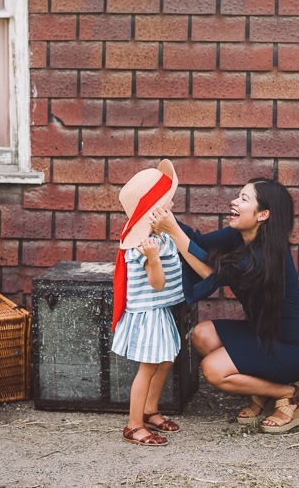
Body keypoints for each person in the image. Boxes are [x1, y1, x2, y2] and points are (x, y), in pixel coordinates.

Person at [150, 178, 299, 433]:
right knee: (202, 335)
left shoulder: (266, 256)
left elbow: (209, 272)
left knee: (213, 370)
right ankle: (265, 391)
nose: (234, 201)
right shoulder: (239, 235)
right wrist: (165, 217)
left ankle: (289, 394)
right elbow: (199, 243)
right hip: (265, 334)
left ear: (263, 215)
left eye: (244, 199)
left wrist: (172, 230)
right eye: (238, 196)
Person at [111, 159, 184, 447]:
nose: (172, 204)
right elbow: (157, 283)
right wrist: (153, 258)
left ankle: (150, 410)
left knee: (166, 360)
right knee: (149, 366)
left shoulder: (158, 235)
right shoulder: (143, 244)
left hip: (159, 309)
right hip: (148, 313)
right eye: (167, 202)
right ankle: (134, 425)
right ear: (152, 209)